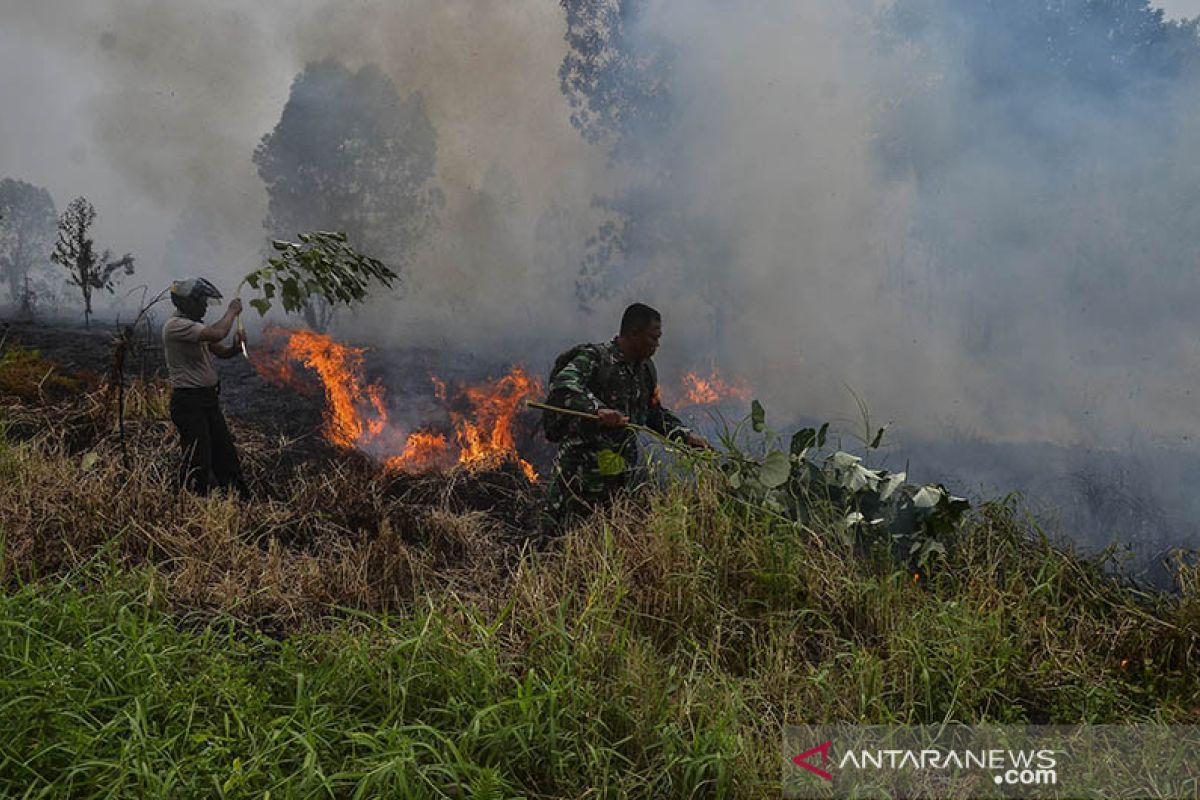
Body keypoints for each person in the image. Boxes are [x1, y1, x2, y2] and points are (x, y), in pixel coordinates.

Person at [544, 302, 711, 529]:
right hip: (579, 479)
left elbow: (653, 413)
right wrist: (597, 410)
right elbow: (564, 386)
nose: (657, 345)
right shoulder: (595, 358)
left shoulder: (645, 370)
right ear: (634, 333)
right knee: (560, 545)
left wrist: (684, 435)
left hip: (619, 480)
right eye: (653, 338)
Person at [162, 277, 250, 498]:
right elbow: (217, 333)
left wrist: (236, 348)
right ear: (187, 303)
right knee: (198, 460)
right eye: (201, 302)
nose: (204, 307)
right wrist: (232, 311)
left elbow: (220, 350)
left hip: (208, 401)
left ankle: (240, 502)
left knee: (226, 455)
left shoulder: (195, 327)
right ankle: (191, 505)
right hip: (189, 403)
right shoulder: (176, 326)